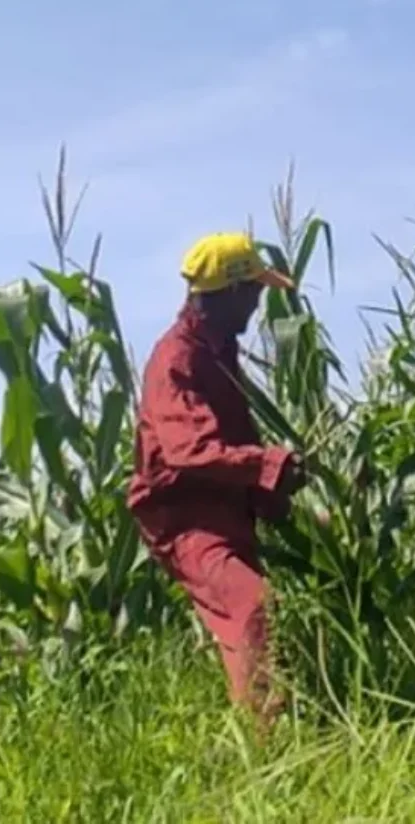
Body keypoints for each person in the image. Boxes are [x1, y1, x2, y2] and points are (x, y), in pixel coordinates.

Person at [127, 232, 306, 724]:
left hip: (222, 510)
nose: (258, 301)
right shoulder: (177, 361)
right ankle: (266, 739)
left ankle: (268, 727)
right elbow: (190, 452)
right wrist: (269, 465)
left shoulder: (217, 347)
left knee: (245, 620)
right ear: (228, 294)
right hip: (186, 520)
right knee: (253, 608)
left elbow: (233, 434)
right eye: (253, 290)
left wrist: (272, 493)